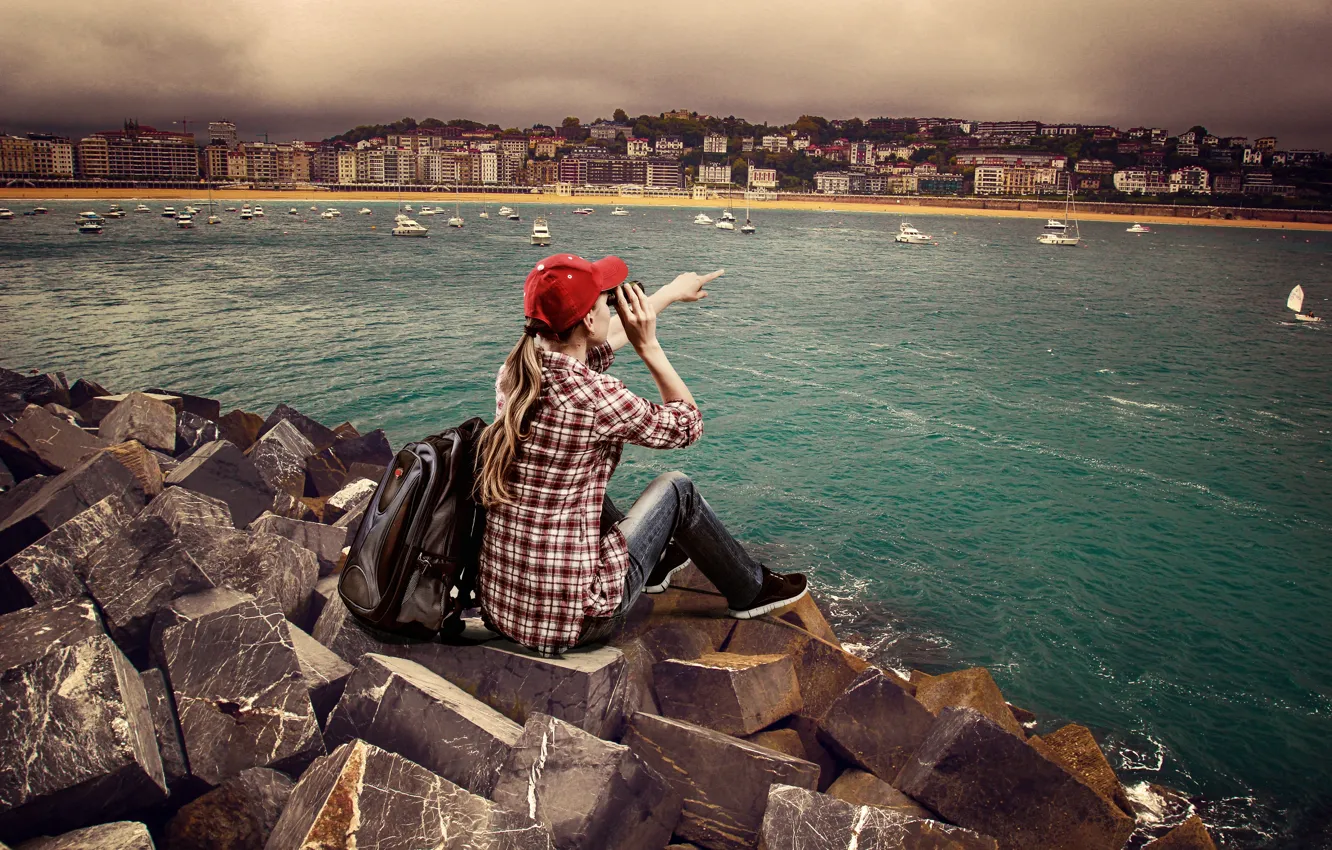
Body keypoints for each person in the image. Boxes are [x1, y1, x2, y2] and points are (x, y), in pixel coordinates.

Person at [475, 253, 808, 657]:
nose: (611, 307)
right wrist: (648, 345)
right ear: (587, 321)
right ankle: (750, 590)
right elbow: (687, 424)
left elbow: (595, 345)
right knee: (677, 490)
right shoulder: (596, 398)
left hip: (503, 607)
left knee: (573, 476)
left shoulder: (515, 373)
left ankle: (660, 561)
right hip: (578, 620)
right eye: (605, 303)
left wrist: (669, 294)